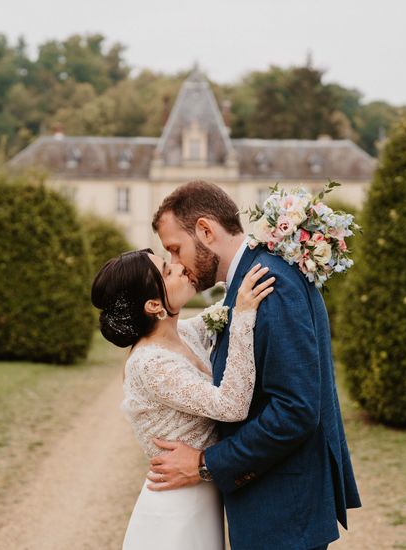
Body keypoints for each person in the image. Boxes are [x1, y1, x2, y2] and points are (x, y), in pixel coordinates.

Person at [147, 180, 361, 550]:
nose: (177, 264)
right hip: (273, 506)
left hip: (282, 512)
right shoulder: (250, 281)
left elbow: (295, 410)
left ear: (205, 230)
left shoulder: (269, 282)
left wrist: (205, 463)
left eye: (175, 249)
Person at [91, 247, 274, 550]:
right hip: (175, 513)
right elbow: (231, 405)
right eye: (166, 270)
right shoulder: (150, 364)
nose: (178, 267)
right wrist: (243, 317)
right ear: (153, 305)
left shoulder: (184, 333)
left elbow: (220, 314)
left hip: (202, 500)